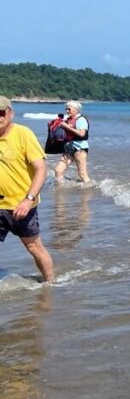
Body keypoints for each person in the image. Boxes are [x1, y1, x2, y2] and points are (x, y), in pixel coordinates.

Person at [0, 96, 54, 282]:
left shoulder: (23, 134)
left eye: (2, 113)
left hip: (21, 206)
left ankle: (50, 283)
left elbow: (41, 169)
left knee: (34, 247)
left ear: (10, 113)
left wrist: (28, 199)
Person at [53, 100, 91, 183]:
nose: (67, 111)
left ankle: (89, 191)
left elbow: (82, 134)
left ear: (76, 110)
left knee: (82, 174)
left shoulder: (81, 120)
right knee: (58, 170)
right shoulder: (69, 120)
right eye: (66, 109)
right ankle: (59, 190)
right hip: (69, 147)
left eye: (69, 109)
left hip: (79, 148)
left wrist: (67, 127)